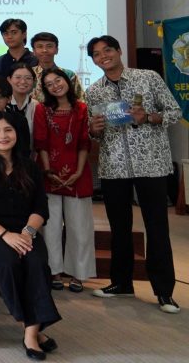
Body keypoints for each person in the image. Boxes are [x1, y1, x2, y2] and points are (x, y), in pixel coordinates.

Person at [85, 35, 180, 314]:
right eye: (97, 54)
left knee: (157, 227)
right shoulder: (93, 92)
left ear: (119, 51)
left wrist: (149, 117)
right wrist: (95, 130)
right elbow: (97, 136)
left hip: (151, 163)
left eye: (108, 50)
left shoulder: (147, 78)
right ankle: (121, 283)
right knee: (119, 228)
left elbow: (175, 111)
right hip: (114, 167)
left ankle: (164, 292)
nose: (103, 57)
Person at [0, 112, 60, 360]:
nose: (2, 136)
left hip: (25, 229)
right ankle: (32, 330)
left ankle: (31, 331)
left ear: (18, 134)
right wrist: (6, 235)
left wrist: (27, 233)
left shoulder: (29, 165)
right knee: (7, 263)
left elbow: (41, 208)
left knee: (37, 263)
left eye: (8, 130)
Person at [35, 67, 94, 294]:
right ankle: (54, 271)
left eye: (57, 80)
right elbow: (40, 143)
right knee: (50, 227)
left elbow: (83, 143)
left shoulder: (82, 108)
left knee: (80, 227)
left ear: (67, 80)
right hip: (49, 173)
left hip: (77, 174)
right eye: (49, 83)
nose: (55, 85)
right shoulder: (42, 109)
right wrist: (48, 171)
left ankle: (79, 274)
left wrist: (78, 172)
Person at [30, 32, 85, 103]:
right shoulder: (28, 74)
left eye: (49, 46)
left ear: (56, 50)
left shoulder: (69, 75)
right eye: (40, 47)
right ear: (34, 51)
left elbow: (81, 101)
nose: (44, 50)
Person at [8, 63, 39, 138]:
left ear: (34, 81)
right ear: (9, 79)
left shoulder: (36, 106)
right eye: (18, 77)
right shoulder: (2, 104)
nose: (22, 82)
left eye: (28, 78)